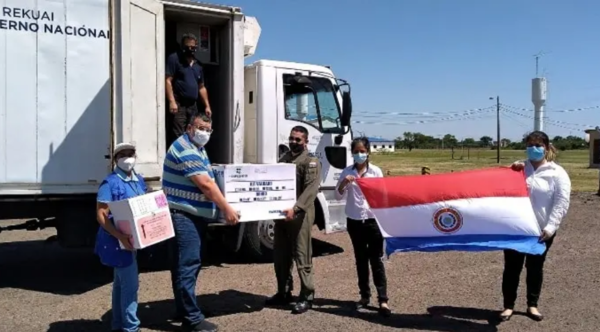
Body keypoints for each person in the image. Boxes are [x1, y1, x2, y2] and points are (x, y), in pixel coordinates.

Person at [163, 114, 239, 332]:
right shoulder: (185, 149)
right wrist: (227, 209)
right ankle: (192, 318)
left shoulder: (197, 148)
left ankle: (185, 308)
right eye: (200, 127)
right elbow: (205, 184)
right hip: (184, 215)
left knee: (183, 265)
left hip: (192, 214)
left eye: (208, 129)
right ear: (189, 128)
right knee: (188, 264)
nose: (204, 132)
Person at [499, 130, 571, 322]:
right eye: (530, 145)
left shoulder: (557, 173)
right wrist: (510, 170)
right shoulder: (519, 169)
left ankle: (532, 305)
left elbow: (561, 202)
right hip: (516, 229)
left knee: (535, 267)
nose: (534, 149)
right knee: (512, 268)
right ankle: (508, 306)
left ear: (546, 148)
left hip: (541, 231)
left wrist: (550, 227)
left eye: (538, 145)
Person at [265, 125, 321, 314]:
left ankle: (307, 296)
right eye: (291, 138)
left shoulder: (310, 161)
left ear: (305, 141)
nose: (293, 142)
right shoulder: (285, 158)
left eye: (298, 139)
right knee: (280, 256)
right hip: (281, 216)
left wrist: (296, 209)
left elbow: (311, 189)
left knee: (302, 255)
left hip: (300, 215)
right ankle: (284, 292)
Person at [335, 137, 391, 317]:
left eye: (362, 151)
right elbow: (337, 196)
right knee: (360, 260)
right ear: (352, 153)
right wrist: (344, 183)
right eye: (356, 151)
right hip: (354, 221)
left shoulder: (376, 172)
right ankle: (364, 296)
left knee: (376, 259)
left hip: (372, 221)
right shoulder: (346, 172)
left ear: (368, 152)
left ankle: (382, 299)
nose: (359, 154)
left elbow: (383, 194)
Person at [94, 143, 147, 332]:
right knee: (130, 287)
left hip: (131, 241)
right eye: (122, 155)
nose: (127, 158)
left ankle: (117, 325)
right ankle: (131, 328)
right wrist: (120, 236)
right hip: (117, 242)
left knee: (120, 285)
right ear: (116, 159)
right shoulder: (110, 182)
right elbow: (101, 214)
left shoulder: (138, 180)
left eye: (130, 154)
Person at [166, 33, 212, 145]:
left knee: (193, 131)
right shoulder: (174, 59)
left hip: (192, 106)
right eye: (189, 47)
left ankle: (191, 155)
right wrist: (172, 101)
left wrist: (207, 105)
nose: (191, 49)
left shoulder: (198, 65)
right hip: (179, 104)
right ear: (183, 47)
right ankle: (179, 157)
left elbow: (201, 87)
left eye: (194, 47)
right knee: (178, 132)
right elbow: (168, 80)